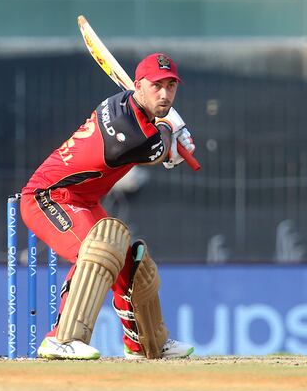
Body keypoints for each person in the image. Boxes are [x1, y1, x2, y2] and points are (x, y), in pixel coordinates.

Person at [20, 52, 197, 360]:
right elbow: (158, 149)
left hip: (83, 200)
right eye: (157, 86)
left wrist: (169, 133)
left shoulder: (130, 108)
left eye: (171, 86)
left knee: (132, 263)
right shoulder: (125, 126)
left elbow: (160, 142)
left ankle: (143, 345)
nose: (165, 93)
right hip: (48, 196)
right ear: (139, 85)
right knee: (99, 250)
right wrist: (173, 136)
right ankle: (60, 338)